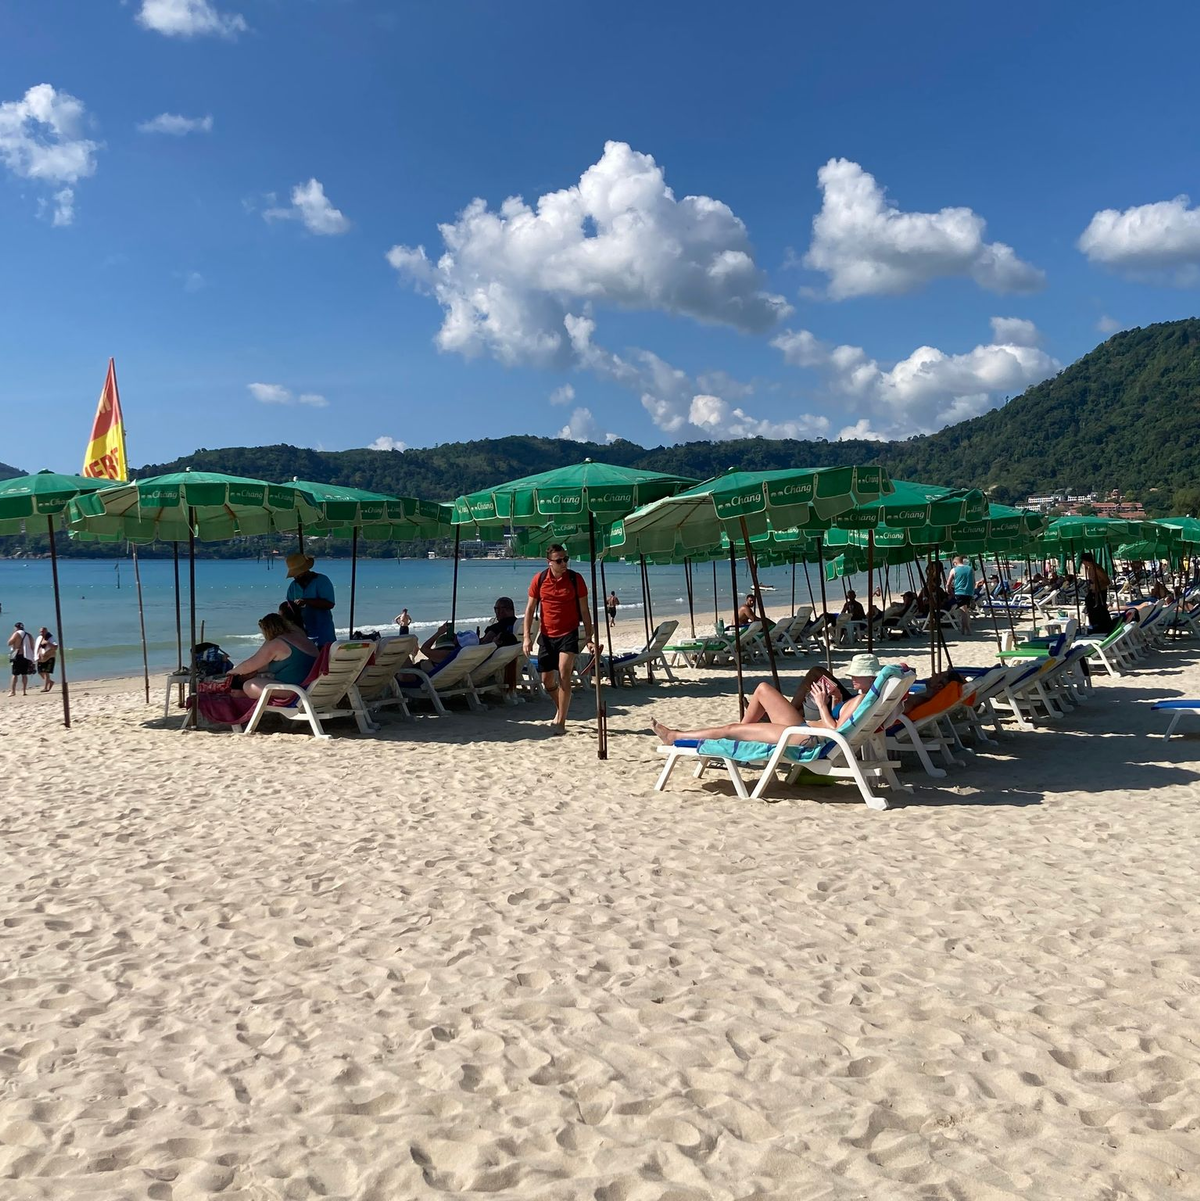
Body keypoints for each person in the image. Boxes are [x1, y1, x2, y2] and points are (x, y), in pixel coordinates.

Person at [651, 653, 883, 747]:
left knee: (731, 730)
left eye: (857, 675)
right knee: (762, 689)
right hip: (805, 728)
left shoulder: (863, 700)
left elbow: (835, 730)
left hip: (806, 736)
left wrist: (821, 704)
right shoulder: (864, 698)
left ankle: (675, 736)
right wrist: (836, 699)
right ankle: (741, 731)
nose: (852, 677)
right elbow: (839, 722)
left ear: (871, 677)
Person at [522, 544, 594, 733]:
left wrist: (589, 637)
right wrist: (527, 637)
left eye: (565, 559)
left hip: (569, 633)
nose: (564, 563)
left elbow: (585, 610)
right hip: (546, 635)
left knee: (564, 672)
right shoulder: (539, 579)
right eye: (559, 560)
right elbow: (530, 609)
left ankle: (560, 722)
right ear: (549, 562)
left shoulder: (575, 579)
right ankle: (561, 708)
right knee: (547, 681)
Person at [228, 613, 318, 699]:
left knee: (250, 686)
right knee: (258, 676)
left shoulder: (277, 643)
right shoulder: (300, 637)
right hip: (310, 686)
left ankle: (244, 695)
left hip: (296, 690)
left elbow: (248, 666)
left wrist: (230, 673)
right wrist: (254, 671)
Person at [284, 553, 336, 647]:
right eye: (295, 575)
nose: (296, 577)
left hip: (323, 634)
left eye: (298, 574)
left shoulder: (322, 580)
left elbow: (330, 604)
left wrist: (307, 601)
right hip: (302, 635)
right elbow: (289, 608)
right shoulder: (293, 586)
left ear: (305, 570)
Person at [1080, 551, 1115, 634]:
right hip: (1093, 592)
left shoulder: (1097, 569)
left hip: (1099, 592)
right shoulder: (1090, 569)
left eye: (1083, 561)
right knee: (1091, 608)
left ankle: (1102, 627)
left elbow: (1107, 581)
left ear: (1086, 561)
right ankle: (1095, 625)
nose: (1083, 563)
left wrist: (1097, 585)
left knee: (1099, 610)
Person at [948, 555, 976, 633]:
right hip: (969, 592)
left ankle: (968, 630)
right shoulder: (970, 569)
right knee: (964, 610)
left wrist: (950, 592)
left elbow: (948, 584)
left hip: (959, 592)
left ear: (955, 562)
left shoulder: (954, 570)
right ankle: (963, 630)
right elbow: (973, 582)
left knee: (963, 611)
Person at [8, 622, 35, 697]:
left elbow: (9, 643)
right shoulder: (29, 635)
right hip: (26, 656)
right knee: (24, 674)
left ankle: (13, 691)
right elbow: (32, 647)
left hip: (18, 655)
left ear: (16, 627)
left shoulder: (16, 634)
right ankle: (24, 691)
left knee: (15, 674)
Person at [34, 627, 56, 692]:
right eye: (40, 632)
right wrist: (36, 655)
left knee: (46, 672)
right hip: (41, 657)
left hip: (49, 656)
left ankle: (46, 687)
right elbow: (38, 647)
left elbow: (55, 647)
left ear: (46, 631)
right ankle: (50, 682)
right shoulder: (39, 638)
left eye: (43, 631)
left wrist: (47, 643)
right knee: (40, 672)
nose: (41, 633)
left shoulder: (50, 638)